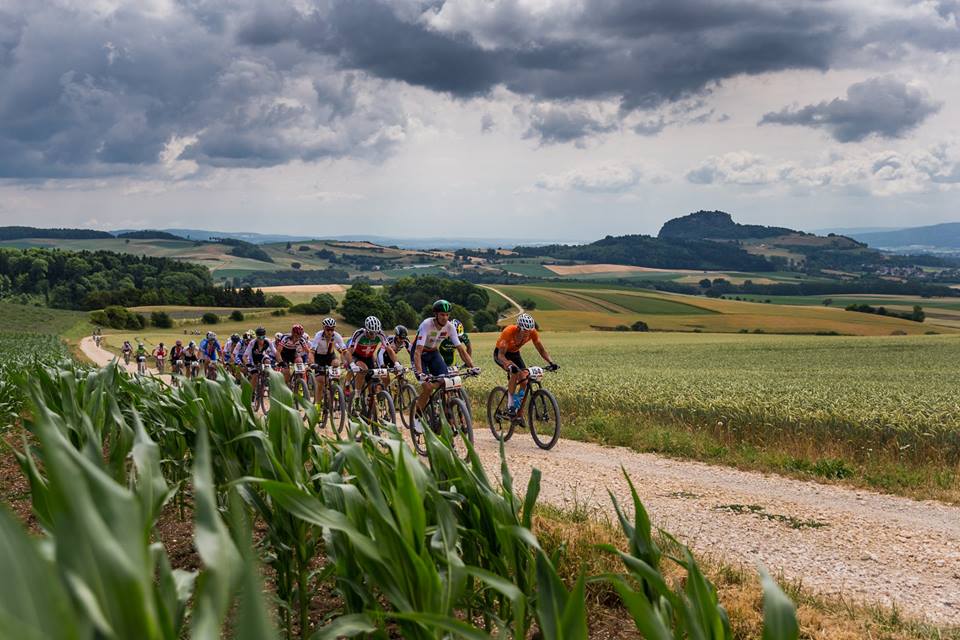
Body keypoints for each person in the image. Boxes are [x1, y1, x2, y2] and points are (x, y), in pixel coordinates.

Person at [412, 300, 477, 423]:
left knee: (446, 381)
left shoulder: (450, 327)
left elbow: (461, 350)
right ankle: (417, 417)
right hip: (420, 355)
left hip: (434, 354)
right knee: (427, 387)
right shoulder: (426, 324)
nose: (445, 317)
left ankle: (442, 411)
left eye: (447, 315)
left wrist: (472, 367)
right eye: (442, 314)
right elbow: (417, 352)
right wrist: (420, 373)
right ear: (436, 314)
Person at [494, 312, 557, 416]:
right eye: (525, 331)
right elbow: (501, 355)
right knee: (514, 372)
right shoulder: (508, 331)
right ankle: (510, 405)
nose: (528, 333)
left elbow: (541, 350)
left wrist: (551, 362)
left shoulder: (532, 332)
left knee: (524, 380)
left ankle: (519, 412)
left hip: (515, 354)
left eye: (530, 330)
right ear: (519, 328)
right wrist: (509, 365)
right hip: (501, 354)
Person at [346, 316, 396, 398]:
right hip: (357, 356)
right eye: (371, 333)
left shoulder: (380, 334)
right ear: (366, 330)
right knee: (364, 369)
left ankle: (371, 399)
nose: (374, 335)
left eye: (376, 332)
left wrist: (396, 363)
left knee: (375, 380)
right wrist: (352, 364)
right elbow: (349, 351)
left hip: (369, 357)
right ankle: (357, 395)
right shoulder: (359, 334)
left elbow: (390, 350)